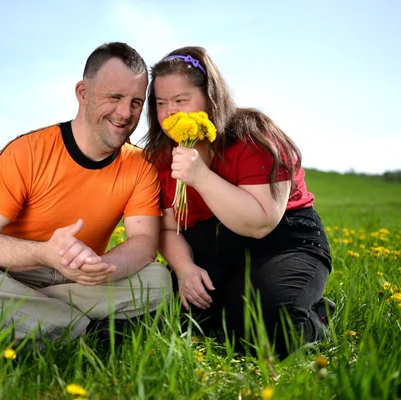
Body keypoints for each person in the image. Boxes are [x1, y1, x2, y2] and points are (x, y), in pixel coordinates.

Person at [0, 42, 171, 346]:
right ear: (83, 93)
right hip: (11, 275)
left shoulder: (139, 164)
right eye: (114, 97)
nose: (125, 113)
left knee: (159, 281)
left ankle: (29, 320)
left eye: (136, 102)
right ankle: (85, 331)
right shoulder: (27, 151)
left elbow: (143, 244)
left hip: (78, 281)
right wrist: (43, 254)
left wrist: (98, 269)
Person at [142, 46, 335, 358]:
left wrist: (200, 176)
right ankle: (236, 303)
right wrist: (185, 268)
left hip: (280, 244)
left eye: (181, 100)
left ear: (210, 96)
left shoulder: (253, 135)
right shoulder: (163, 156)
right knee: (175, 323)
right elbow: (168, 227)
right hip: (214, 253)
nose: (170, 113)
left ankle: (317, 316)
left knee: (263, 331)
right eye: (161, 103)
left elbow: (261, 222)